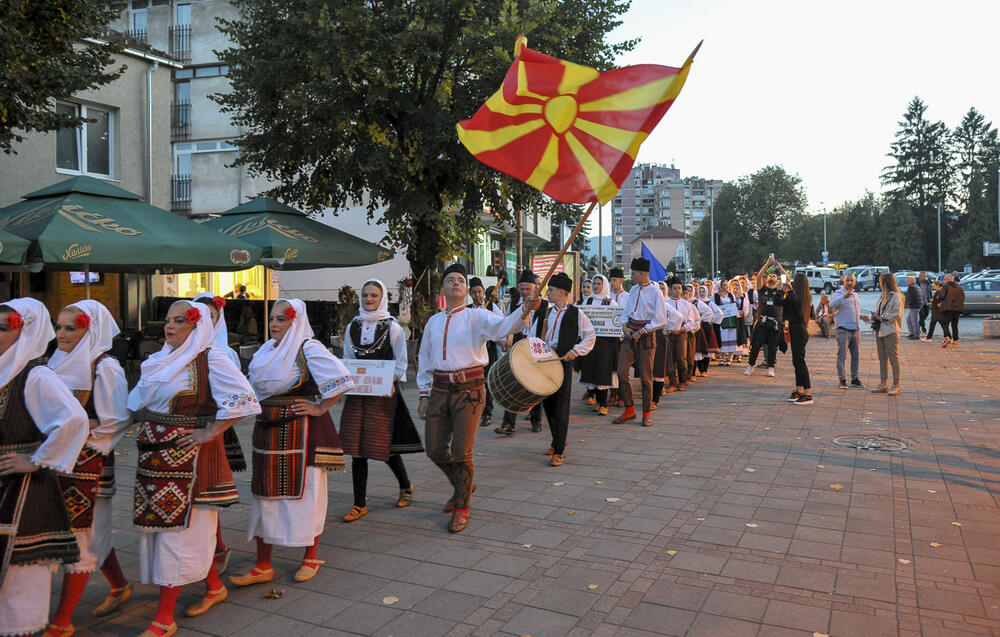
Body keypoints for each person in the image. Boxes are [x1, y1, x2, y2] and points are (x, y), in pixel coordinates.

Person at [127, 300, 261, 637]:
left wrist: (210, 431)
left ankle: (164, 617)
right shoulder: (158, 360)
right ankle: (215, 587)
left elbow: (244, 399)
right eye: (168, 321)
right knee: (163, 532)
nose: (169, 327)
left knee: (180, 536)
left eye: (179, 322)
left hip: (189, 461)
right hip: (154, 459)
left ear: (197, 327)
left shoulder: (210, 358)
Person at [232, 299, 354, 589]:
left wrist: (321, 407)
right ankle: (263, 564)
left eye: (281, 319)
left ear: (296, 321)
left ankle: (310, 556)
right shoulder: (265, 351)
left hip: (300, 431)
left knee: (305, 495)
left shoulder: (308, 348)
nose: (274, 324)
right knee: (264, 495)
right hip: (267, 430)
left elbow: (341, 379)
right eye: (272, 318)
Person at [416, 263, 538, 532]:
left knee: (462, 452)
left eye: (461, 280)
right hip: (438, 391)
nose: (456, 283)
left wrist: (525, 309)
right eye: (451, 280)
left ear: (466, 288)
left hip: (470, 391)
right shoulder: (433, 322)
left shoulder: (477, 316)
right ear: (443, 288)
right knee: (434, 449)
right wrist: (423, 393)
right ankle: (464, 483)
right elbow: (424, 359)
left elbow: (505, 326)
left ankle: (462, 506)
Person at [0, 299, 88, 637]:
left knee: (18, 581)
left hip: (22, 493)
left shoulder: (35, 375)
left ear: (27, 332)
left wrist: (35, 460)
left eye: (3, 328)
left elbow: (73, 420)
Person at [44, 301, 132, 636]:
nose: (62, 334)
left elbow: (119, 417)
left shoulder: (104, 366)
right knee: (88, 533)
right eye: (59, 326)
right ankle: (120, 585)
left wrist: (84, 428)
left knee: (83, 536)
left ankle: (62, 621)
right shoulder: (57, 360)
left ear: (90, 329)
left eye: (71, 327)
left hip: (88, 465)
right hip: (57, 460)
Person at [340, 280, 423, 522]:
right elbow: (347, 358)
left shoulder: (393, 327)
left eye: (374, 295)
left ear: (382, 298)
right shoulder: (352, 326)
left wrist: (390, 382)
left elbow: (401, 362)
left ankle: (406, 484)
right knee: (357, 449)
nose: (368, 299)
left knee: (384, 445)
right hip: (359, 393)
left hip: (383, 394)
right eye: (365, 295)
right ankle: (359, 504)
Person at [192, 292, 246, 574]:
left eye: (209, 317)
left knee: (207, 492)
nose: (203, 322)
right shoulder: (179, 350)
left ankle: (216, 548)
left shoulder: (224, 354)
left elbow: (237, 399)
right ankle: (209, 548)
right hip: (187, 428)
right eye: (197, 315)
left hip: (210, 429)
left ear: (217, 320)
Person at [531, 273, 595, 466]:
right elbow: (531, 335)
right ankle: (558, 439)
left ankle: (559, 450)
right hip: (544, 361)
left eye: (550, 290)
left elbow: (590, 337)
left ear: (561, 292)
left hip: (563, 362)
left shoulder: (577, 314)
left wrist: (575, 352)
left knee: (561, 405)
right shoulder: (544, 312)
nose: (548, 293)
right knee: (548, 403)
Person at [613, 258, 675, 427]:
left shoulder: (655, 292)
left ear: (642, 274)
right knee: (621, 372)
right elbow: (627, 311)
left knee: (646, 378)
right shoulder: (633, 289)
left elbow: (661, 319)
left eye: (633, 274)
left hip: (646, 336)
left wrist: (643, 330)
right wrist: (624, 326)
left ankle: (646, 413)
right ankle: (629, 409)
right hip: (629, 334)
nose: (631, 277)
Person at [496, 269, 547, 435]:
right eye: (522, 289)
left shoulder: (545, 305)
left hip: (536, 350)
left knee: (536, 386)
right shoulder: (514, 304)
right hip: (518, 348)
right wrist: (507, 340)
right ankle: (508, 423)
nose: (525, 292)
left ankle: (536, 420)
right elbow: (508, 324)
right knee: (513, 385)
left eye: (528, 289)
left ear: (535, 288)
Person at [578, 275, 618, 416]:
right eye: (594, 283)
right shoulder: (587, 301)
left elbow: (616, 322)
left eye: (599, 284)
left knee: (602, 373)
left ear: (604, 285)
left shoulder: (610, 303)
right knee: (591, 373)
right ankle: (596, 401)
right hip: (590, 343)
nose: (595, 286)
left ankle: (603, 404)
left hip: (605, 344)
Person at [468, 278, 504, 428]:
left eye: (480, 292)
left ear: (484, 292)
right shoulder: (467, 310)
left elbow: (501, 326)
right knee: (473, 383)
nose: (478, 295)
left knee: (486, 382)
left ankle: (487, 413)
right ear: (470, 293)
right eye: (475, 292)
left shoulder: (492, 308)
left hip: (488, 351)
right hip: (472, 352)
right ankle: (474, 411)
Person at [777, 273, 813, 405]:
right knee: (797, 362)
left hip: (797, 332)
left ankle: (808, 393)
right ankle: (799, 390)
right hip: (800, 331)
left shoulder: (794, 297)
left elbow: (778, 302)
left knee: (799, 362)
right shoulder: (806, 296)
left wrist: (781, 289)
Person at [746, 258, 785, 377]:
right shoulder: (762, 290)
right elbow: (759, 277)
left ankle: (771, 367)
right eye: (770, 275)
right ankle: (750, 365)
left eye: (774, 275)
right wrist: (767, 264)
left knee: (773, 347)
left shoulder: (780, 291)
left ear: (777, 280)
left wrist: (779, 267)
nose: (772, 276)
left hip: (775, 323)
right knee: (756, 345)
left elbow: (786, 278)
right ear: (767, 279)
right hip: (762, 321)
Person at [866, 274, 903, 395]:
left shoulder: (896, 296)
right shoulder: (883, 296)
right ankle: (883, 383)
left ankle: (896, 385)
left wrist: (881, 318)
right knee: (882, 358)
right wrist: (876, 316)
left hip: (891, 330)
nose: (879, 284)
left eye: (881, 282)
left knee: (893, 358)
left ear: (886, 283)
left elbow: (896, 313)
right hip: (880, 330)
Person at [828, 273, 864, 389]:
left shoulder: (855, 295)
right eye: (847, 280)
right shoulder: (838, 293)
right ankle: (842, 380)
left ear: (855, 282)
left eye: (852, 280)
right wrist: (844, 295)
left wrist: (861, 316)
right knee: (842, 356)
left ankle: (855, 378)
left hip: (855, 330)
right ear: (843, 281)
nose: (849, 282)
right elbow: (832, 304)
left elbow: (852, 310)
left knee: (856, 356)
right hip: (843, 329)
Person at [663, 277, 695, 393]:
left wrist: (681, 329)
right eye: (675, 288)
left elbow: (691, 321)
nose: (677, 291)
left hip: (681, 334)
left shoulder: (686, 304)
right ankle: (672, 383)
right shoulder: (665, 304)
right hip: (669, 333)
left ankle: (682, 381)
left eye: (679, 288)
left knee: (681, 358)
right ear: (670, 290)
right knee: (670, 358)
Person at [693, 286, 721, 377]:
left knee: (708, 349)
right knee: (699, 348)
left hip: (706, 326)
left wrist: (711, 320)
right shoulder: (695, 302)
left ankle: (704, 370)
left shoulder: (709, 303)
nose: (701, 293)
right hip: (698, 327)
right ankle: (700, 369)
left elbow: (719, 313)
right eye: (700, 291)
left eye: (703, 291)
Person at [713, 280, 742, 365]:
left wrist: (738, 298)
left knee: (732, 337)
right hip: (722, 319)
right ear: (720, 286)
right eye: (723, 285)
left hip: (731, 318)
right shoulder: (715, 296)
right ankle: (722, 358)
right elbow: (713, 306)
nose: (725, 287)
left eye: (726, 285)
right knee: (723, 337)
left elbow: (737, 304)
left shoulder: (731, 295)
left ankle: (730, 358)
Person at [939, 273, 965, 348]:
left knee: (944, 324)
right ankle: (955, 341)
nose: (944, 281)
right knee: (954, 325)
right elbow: (962, 298)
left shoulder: (946, 286)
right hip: (957, 309)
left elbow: (941, 296)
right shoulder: (959, 287)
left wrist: (938, 297)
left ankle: (947, 337)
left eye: (945, 280)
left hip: (947, 308)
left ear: (947, 280)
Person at [682, 284, 701, 381]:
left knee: (690, 356)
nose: (685, 296)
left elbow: (697, 321)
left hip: (689, 333)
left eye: (686, 294)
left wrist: (692, 330)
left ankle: (689, 375)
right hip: (679, 333)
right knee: (681, 357)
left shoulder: (692, 307)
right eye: (683, 294)